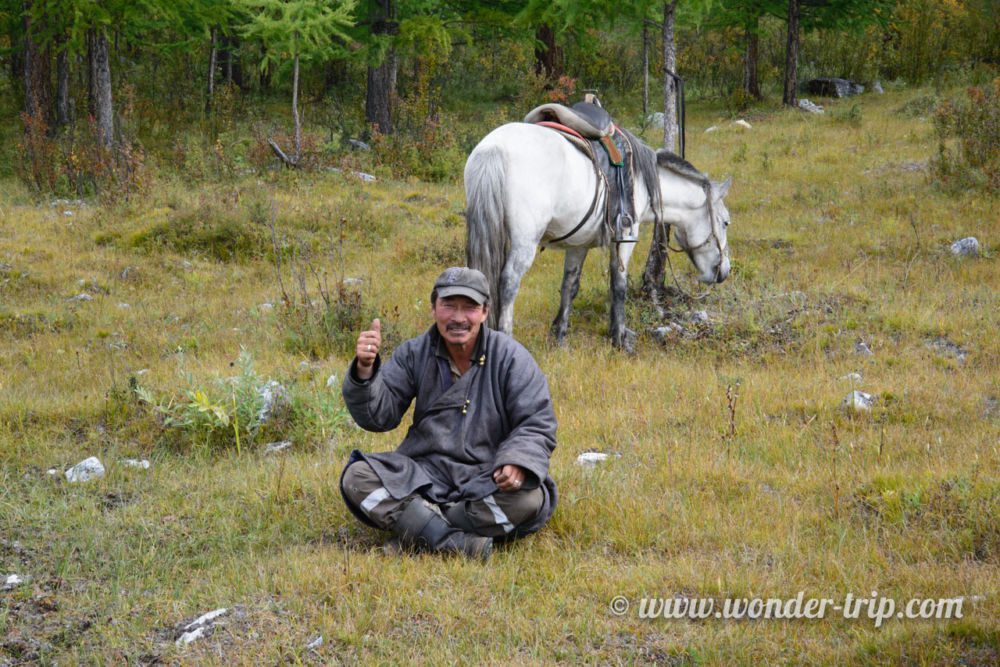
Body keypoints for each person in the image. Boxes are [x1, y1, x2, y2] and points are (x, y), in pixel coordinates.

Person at [339, 267, 557, 560]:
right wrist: (364, 371)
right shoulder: (414, 353)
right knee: (357, 477)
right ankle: (458, 543)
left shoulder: (511, 357)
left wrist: (517, 462)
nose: (458, 317)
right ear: (433, 309)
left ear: (485, 312)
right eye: (448, 306)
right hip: (425, 476)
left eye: (469, 307)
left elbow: (536, 421)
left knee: (531, 497)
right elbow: (379, 415)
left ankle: (419, 531)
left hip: (484, 477)